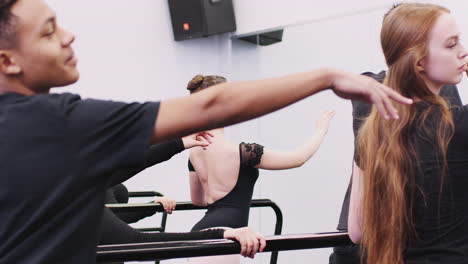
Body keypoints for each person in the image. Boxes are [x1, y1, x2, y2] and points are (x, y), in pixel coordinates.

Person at [0, 0, 412, 263]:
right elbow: (214, 107)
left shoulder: (55, 142)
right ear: (9, 60)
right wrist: (325, 79)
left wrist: (214, 234)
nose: (69, 35)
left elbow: (121, 239)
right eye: (50, 31)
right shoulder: (59, 123)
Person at [348, 3, 468, 264]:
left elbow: (357, 231)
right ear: (421, 61)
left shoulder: (373, 131)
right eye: (451, 45)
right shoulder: (459, 125)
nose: (464, 52)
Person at [186, 75, 334, 263]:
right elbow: (298, 158)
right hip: (225, 237)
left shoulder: (194, 150)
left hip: (201, 234)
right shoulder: (242, 152)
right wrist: (321, 131)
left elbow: (197, 200)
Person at [329, 71, 463, 264]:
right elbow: (359, 231)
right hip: (379, 243)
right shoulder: (372, 92)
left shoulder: (369, 91)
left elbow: (358, 230)